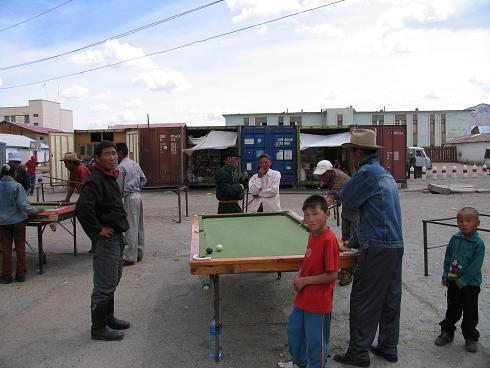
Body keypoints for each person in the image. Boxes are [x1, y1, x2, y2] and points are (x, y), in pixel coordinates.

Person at [334, 129, 404, 367]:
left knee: (363, 300)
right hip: (395, 244)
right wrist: (353, 241)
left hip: (377, 248)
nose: (349, 157)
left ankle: (358, 353)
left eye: (351, 152)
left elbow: (347, 197)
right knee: (389, 299)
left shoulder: (365, 173)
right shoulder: (384, 173)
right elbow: (375, 215)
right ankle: (388, 347)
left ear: (358, 152)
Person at [76, 141, 130, 341]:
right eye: (107, 154)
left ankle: (108, 318)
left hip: (116, 236)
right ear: (97, 158)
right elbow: (82, 208)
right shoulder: (96, 179)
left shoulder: (109, 176)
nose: (112, 157)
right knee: (104, 282)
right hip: (106, 240)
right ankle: (98, 328)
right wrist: (97, 230)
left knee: (113, 278)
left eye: (114, 153)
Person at [278, 195, 339, 368]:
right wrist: (300, 275)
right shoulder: (313, 235)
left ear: (327, 214)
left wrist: (304, 281)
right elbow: (310, 261)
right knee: (295, 331)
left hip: (318, 302)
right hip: (303, 298)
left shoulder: (329, 240)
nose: (310, 219)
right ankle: (299, 363)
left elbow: (333, 274)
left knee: (315, 342)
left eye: (315, 213)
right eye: (306, 215)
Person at [434, 207, 484, 353]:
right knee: (452, 308)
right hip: (453, 281)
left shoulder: (478, 244)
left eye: (468, 221)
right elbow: (449, 257)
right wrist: (445, 274)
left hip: (470, 285)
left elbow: (476, 266)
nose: (464, 224)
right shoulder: (455, 238)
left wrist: (463, 280)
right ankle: (447, 332)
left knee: (470, 311)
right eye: (460, 221)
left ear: (477, 223)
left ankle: (470, 337)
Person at [0, 163, 39, 283]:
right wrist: (35, 211)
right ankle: (20, 274)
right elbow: (23, 205)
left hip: (2, 223)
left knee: (5, 249)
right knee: (20, 247)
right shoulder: (17, 186)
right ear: (14, 174)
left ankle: (6, 276)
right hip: (18, 222)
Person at [116, 143, 147, 266]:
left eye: (115, 153)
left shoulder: (120, 167)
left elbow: (118, 187)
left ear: (120, 153)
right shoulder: (135, 164)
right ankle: (139, 252)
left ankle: (129, 257)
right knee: (139, 225)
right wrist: (136, 187)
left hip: (129, 197)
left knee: (130, 227)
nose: (114, 156)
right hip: (138, 196)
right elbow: (144, 179)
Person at [313, 159, 358, 242]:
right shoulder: (332, 174)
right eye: (319, 175)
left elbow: (330, 198)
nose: (321, 177)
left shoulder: (339, 178)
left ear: (330, 171)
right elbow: (340, 190)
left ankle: (354, 251)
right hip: (347, 203)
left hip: (355, 205)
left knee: (353, 233)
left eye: (323, 174)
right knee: (345, 232)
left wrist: (315, 213)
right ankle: (345, 247)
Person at [215, 147, 248, 214]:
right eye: (236, 159)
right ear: (229, 159)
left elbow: (233, 184)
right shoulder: (223, 172)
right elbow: (227, 191)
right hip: (227, 208)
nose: (238, 161)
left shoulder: (230, 170)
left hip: (232, 205)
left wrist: (242, 179)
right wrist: (241, 186)